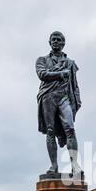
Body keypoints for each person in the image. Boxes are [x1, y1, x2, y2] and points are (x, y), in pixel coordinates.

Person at [36, 31, 82, 176]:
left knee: (70, 129)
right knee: (50, 131)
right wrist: (61, 74)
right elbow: (42, 74)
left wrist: (77, 102)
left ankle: (75, 165)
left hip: (64, 97)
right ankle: (54, 166)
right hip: (47, 96)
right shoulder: (41, 60)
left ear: (63, 43)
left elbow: (75, 86)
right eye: (53, 40)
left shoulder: (70, 63)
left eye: (58, 40)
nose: (55, 41)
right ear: (49, 42)